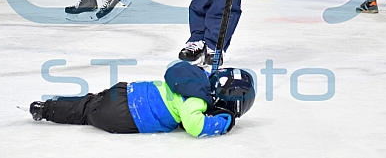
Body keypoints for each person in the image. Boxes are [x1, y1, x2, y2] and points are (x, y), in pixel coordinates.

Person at [27, 61, 255, 138]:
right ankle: (48, 109)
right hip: (126, 115)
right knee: (89, 114)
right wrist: (225, 123)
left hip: (124, 92)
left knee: (89, 104)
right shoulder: (198, 100)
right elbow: (194, 126)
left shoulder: (195, 77)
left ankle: (47, 107)